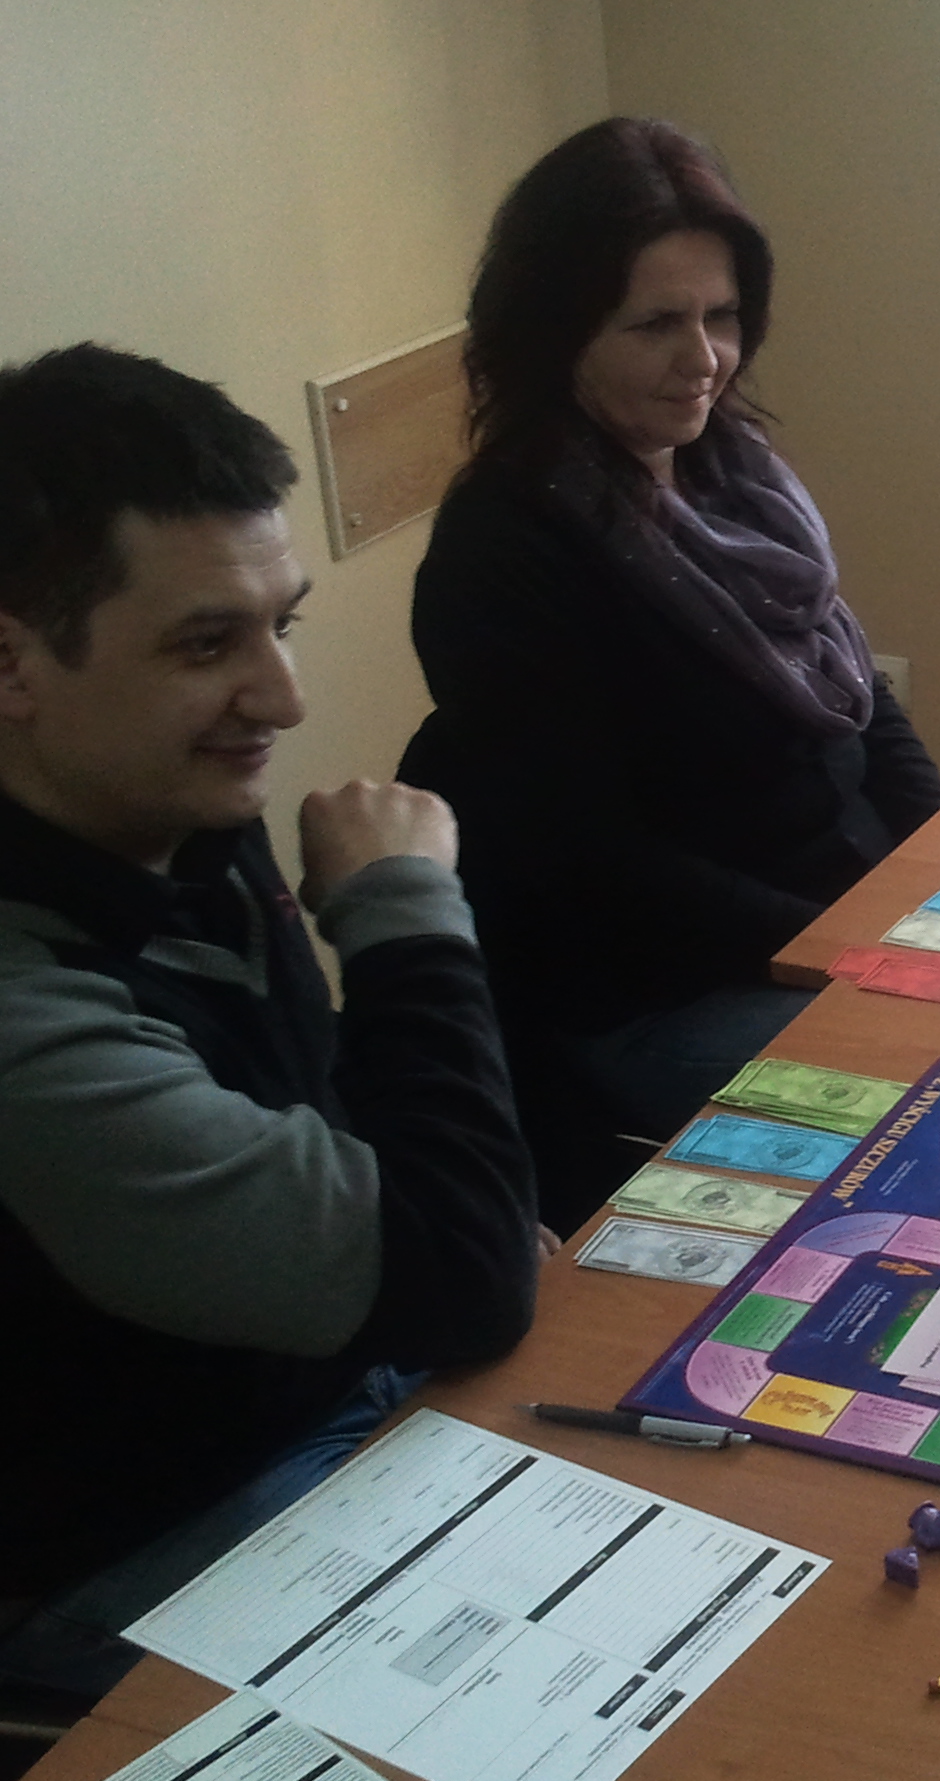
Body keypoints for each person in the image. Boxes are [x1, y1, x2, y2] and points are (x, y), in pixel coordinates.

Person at [0, 346, 541, 1698]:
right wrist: (406, 915)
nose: (284, 699)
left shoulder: (162, 807)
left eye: (279, 624)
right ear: (13, 663)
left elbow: (370, 1162)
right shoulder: (24, 1009)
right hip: (134, 1543)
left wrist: (434, 1236)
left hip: (334, 1382)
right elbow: (469, 1278)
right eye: (205, 645)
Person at [401, 117, 940, 1223]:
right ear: (556, 332)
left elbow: (856, 698)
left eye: (721, 317)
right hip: (664, 993)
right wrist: (853, 946)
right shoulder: (504, 552)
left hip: (827, 921)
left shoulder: (730, 471)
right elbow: (598, 866)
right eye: (655, 324)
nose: (702, 359)